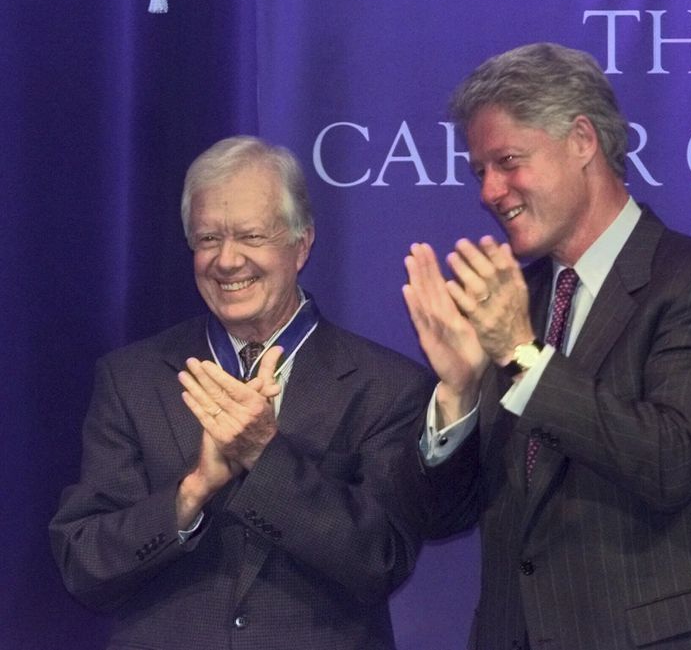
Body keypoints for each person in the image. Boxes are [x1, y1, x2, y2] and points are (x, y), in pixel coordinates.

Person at [403, 43, 691, 650]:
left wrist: (522, 357)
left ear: (581, 141)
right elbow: (447, 517)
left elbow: (669, 460)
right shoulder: (514, 304)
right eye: (479, 171)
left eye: (508, 161)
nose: (489, 191)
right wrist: (461, 394)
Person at [50, 135, 433, 650]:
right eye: (208, 239)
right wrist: (192, 493)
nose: (227, 261)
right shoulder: (131, 378)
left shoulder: (386, 387)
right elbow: (86, 566)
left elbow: (379, 560)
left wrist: (265, 455)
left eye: (251, 236)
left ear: (302, 245)